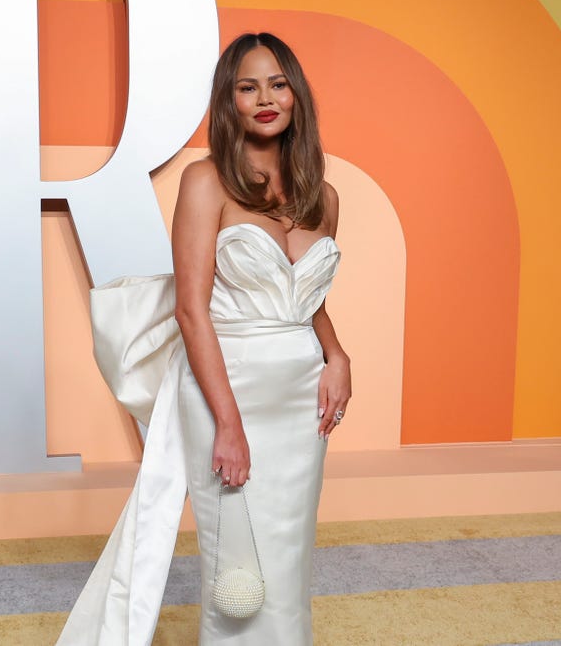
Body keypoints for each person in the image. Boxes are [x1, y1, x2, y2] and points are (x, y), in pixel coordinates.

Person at [57, 32, 350, 646]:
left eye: (277, 83)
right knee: (236, 567)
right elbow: (192, 311)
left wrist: (337, 353)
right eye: (248, 87)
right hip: (228, 388)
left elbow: (303, 296)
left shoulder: (323, 196)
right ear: (230, 102)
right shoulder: (205, 182)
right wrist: (228, 423)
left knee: (290, 554)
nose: (265, 98)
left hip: (301, 396)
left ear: (296, 93)